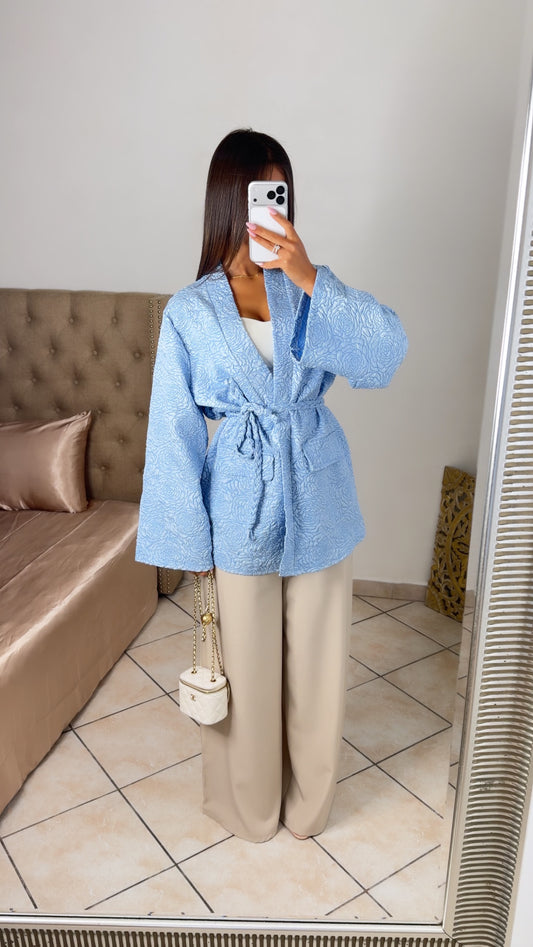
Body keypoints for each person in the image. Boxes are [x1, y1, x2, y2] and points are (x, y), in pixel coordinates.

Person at [136, 128, 408, 843]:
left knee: (316, 668)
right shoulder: (190, 310)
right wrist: (189, 541)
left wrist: (311, 274)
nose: (273, 207)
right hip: (238, 500)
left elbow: (386, 352)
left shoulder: (308, 288)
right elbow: (173, 431)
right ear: (231, 199)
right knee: (248, 671)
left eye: (281, 192)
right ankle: (250, 808)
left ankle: (310, 807)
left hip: (319, 493)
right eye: (261, 191)